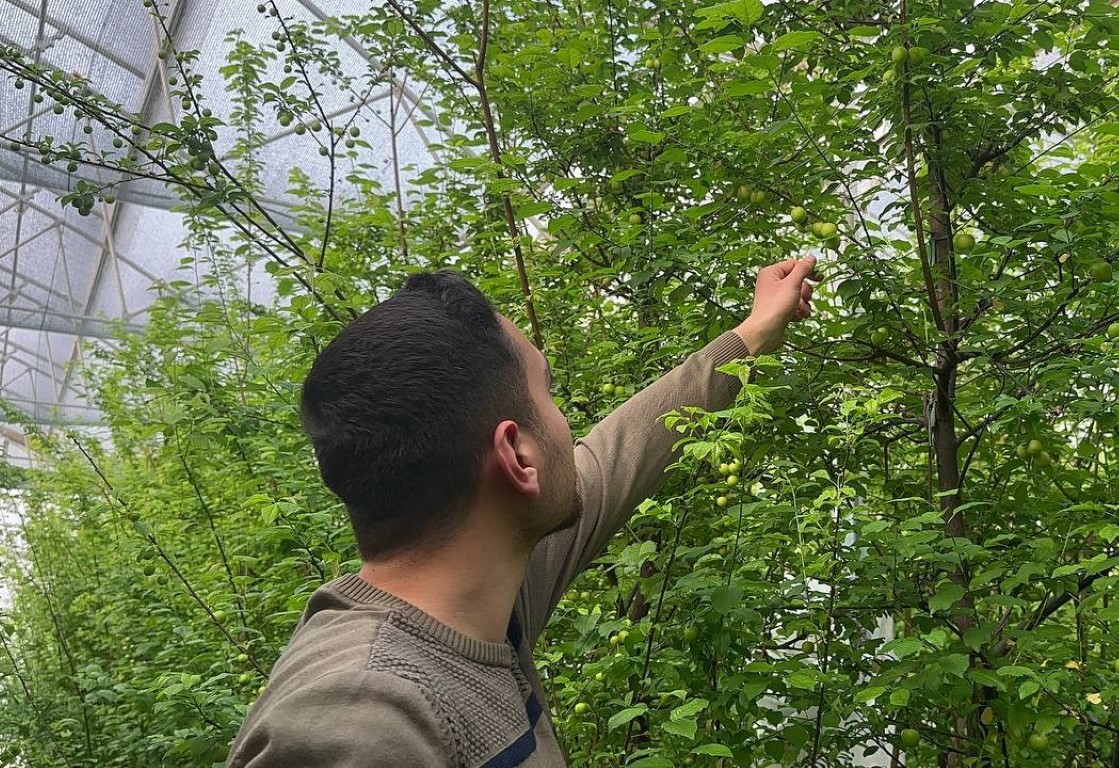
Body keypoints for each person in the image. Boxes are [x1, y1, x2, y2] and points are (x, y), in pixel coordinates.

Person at [226, 257, 820, 767]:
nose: (569, 427)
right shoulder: (362, 717)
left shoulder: (492, 598)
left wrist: (752, 335)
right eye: (550, 394)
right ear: (516, 454)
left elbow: (617, 456)